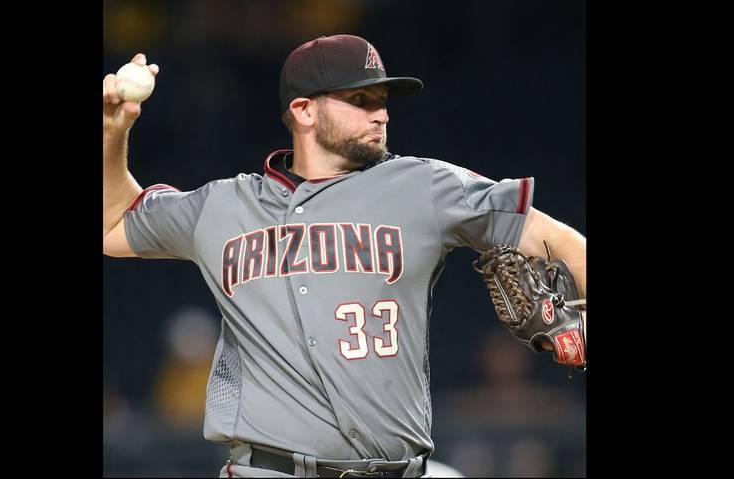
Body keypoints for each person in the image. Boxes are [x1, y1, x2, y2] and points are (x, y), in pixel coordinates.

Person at [103, 34, 586, 478]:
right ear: (304, 111)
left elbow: (562, 242)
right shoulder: (222, 206)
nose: (382, 114)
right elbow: (112, 225)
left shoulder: (425, 188)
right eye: (361, 100)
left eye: (382, 101)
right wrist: (113, 132)